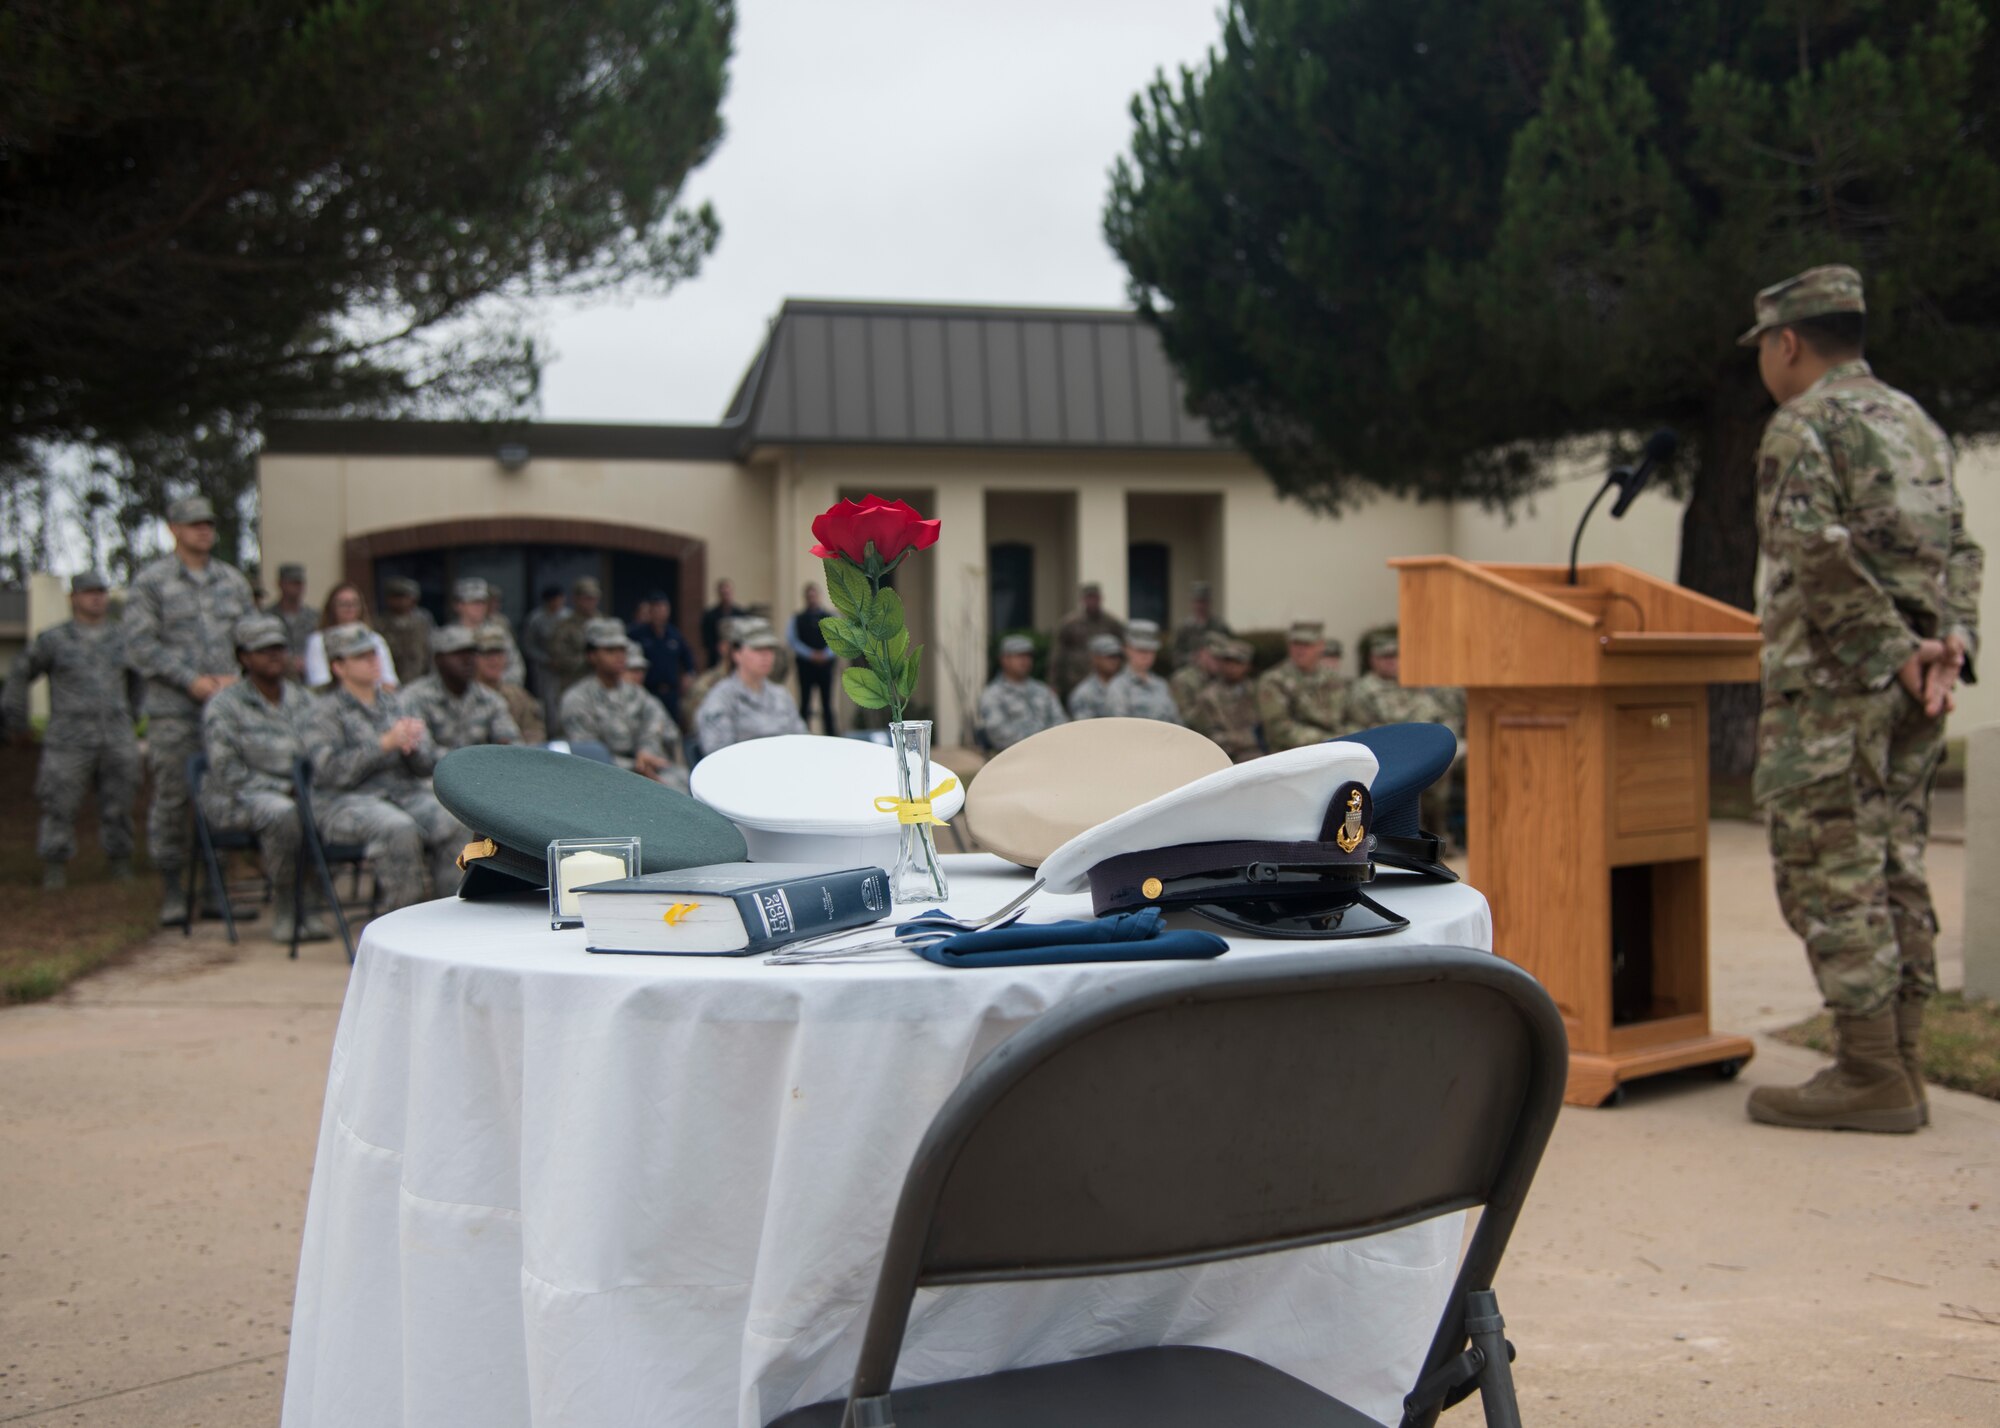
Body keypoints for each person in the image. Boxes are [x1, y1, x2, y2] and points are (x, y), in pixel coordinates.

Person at [1737, 264, 1982, 1134]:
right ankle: (1903, 1062)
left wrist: (1892, 653)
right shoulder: (1915, 422)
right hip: (1914, 688)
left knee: (1828, 867)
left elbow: (1813, 552)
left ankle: (1870, 1068)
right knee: (1893, 864)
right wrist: (1949, 647)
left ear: (1788, 342)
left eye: (1764, 345)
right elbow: (1960, 547)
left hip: (1836, 692)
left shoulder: (1804, 425)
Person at [124, 494, 257, 923]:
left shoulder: (233, 581)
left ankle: (217, 888)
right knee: (174, 798)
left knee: (219, 795)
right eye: (194, 523)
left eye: (209, 523)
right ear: (174, 529)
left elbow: (253, 636)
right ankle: (174, 890)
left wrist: (241, 673)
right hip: (174, 712)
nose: (204, 529)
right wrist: (191, 680)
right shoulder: (152, 582)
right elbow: (139, 646)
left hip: (226, 710)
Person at [306, 623, 466, 912]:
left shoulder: (396, 704)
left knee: (456, 822)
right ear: (338, 666)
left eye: (373, 654)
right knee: (398, 829)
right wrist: (383, 745)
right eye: (360, 656)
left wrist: (414, 746)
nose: (372, 661)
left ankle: (452, 912)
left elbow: (425, 766)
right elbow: (329, 772)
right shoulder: (322, 712)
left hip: (402, 795)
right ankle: (402, 920)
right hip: (345, 803)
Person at [3, 571, 142, 890]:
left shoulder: (123, 638)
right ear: (74, 598)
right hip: (69, 739)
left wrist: (132, 715)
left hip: (116, 736)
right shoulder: (54, 640)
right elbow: (20, 675)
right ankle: (55, 864)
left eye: (101, 592)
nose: (97, 598)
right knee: (58, 803)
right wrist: (18, 722)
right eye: (89, 592)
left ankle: (120, 861)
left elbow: (138, 681)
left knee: (119, 802)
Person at [199, 614, 328, 943]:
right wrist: (283, 789)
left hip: (298, 794)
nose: (274, 655)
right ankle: (286, 904)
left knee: (326, 805)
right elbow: (226, 770)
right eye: (263, 649)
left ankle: (310, 904)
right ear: (244, 657)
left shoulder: (304, 700)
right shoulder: (225, 705)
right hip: (237, 798)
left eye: (279, 648)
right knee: (283, 813)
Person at [1340, 627, 1465, 838]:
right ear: (1373, 660)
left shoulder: (1414, 685)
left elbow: (1440, 715)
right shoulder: (1363, 690)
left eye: (1395, 656)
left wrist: (1446, 741)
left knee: (1441, 777)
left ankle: (1437, 834)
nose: (1391, 662)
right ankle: (1410, 836)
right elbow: (1359, 727)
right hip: (1387, 753)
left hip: (1422, 750)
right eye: (1385, 657)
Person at [561, 619, 686, 784]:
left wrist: (646, 751)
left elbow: (657, 721)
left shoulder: (637, 693)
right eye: (610, 650)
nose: (619, 656)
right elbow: (588, 755)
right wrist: (636, 766)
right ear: (592, 656)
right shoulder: (578, 698)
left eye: (622, 649)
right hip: (603, 780)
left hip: (647, 770)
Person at [694, 620, 806, 756]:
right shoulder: (722, 699)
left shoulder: (781, 695)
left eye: (770, 649)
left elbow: (802, 741)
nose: (766, 656)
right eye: (758, 649)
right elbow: (719, 755)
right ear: (737, 654)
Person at [400, 625, 520, 752]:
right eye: (459, 655)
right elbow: (421, 756)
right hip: (434, 771)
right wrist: (472, 764)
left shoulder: (489, 699)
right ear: (438, 660)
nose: (468, 661)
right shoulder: (415, 697)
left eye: (472, 654)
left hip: (482, 769)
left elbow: (512, 746)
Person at [1257, 620, 1346, 753]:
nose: (1300, 650)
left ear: (1321, 646)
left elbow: (1353, 717)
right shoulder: (1274, 681)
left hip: (1337, 751)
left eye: (1307, 644)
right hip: (1295, 755)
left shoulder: (1332, 678)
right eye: (1296, 644)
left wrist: (1350, 736)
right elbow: (1280, 729)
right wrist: (1330, 740)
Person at [978, 633, 1069, 751]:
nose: (1025, 661)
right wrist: (1035, 744)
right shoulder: (992, 695)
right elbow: (998, 733)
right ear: (1004, 660)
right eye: (1019, 656)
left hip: (1049, 754)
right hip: (1013, 759)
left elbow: (1061, 722)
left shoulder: (1043, 690)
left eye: (1028, 656)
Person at [306, 583, 400, 690]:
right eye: (343, 603)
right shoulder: (318, 640)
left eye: (354, 603)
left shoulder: (375, 639)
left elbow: (389, 681)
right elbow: (319, 682)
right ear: (332, 607)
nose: (349, 607)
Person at [542, 576, 603, 733]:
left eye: (594, 598)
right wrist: (589, 660)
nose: (590, 602)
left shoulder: (605, 624)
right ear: (576, 599)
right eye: (586, 598)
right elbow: (558, 658)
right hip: (573, 685)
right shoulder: (565, 626)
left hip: (602, 689)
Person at [1187, 637, 1263, 762]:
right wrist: (1247, 739)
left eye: (1237, 662)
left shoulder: (1258, 693)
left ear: (1247, 666)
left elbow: (1267, 733)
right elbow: (1209, 737)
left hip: (1259, 756)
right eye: (1227, 662)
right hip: (1222, 758)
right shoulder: (1208, 697)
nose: (1231, 667)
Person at [627, 590, 694, 728]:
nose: (659, 613)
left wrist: (689, 674)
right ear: (649, 611)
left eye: (662, 608)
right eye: (655, 609)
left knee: (671, 728)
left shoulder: (674, 634)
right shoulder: (638, 634)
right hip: (648, 690)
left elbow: (687, 657)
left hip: (670, 692)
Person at [1050, 582, 1127, 696]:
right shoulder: (1070, 624)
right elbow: (1057, 655)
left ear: (1101, 599)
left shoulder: (1112, 624)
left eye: (1094, 597)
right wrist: (1054, 684)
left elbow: (1124, 651)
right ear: (1082, 600)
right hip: (1075, 682)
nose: (1092, 601)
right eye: (1088, 597)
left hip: (1107, 684)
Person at [475, 627, 545, 743]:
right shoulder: (465, 696)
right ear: (474, 658)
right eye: (487, 654)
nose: (494, 660)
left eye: (499, 654)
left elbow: (535, 734)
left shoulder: (519, 697)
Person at [450, 577, 525, 686]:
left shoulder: (498, 633)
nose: (479, 607)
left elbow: (516, 667)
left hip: (496, 693)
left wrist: (497, 685)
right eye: (474, 602)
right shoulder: (448, 636)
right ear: (459, 605)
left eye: (482, 602)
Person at [1105, 620, 1182, 724]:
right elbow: (1120, 728)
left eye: (1151, 651)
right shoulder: (1119, 687)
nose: (1146, 656)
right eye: (1141, 650)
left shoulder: (1161, 685)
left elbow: (1176, 722)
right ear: (1127, 649)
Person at [789, 583, 839, 735]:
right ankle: (803, 735)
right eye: (809, 596)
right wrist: (810, 654)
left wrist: (826, 654)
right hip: (805, 666)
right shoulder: (797, 618)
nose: (812, 598)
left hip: (826, 666)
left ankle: (832, 736)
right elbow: (792, 640)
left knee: (827, 704)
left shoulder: (831, 617)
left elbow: (838, 638)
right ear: (805, 598)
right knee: (804, 703)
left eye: (814, 595)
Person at [371, 577, 434, 686]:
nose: (400, 601)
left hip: (420, 681)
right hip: (393, 683)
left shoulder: (423, 621)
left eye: (404, 597)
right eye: (395, 597)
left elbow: (431, 652)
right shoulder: (379, 624)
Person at [269, 562, 318, 681]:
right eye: (293, 583)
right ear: (281, 584)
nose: (298, 587)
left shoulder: (315, 617)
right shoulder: (267, 617)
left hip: (308, 680)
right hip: (277, 680)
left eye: (301, 583)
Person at [521, 583, 566, 708]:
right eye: (555, 600)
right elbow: (528, 645)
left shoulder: (568, 617)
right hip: (544, 668)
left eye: (560, 599)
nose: (558, 602)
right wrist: (546, 660)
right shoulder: (536, 619)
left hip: (567, 667)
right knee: (547, 701)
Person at [1171, 581, 1232, 668]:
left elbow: (1230, 652)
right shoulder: (1184, 628)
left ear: (1209, 603)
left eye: (1203, 602)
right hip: (1190, 673)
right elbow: (1175, 658)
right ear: (1192, 603)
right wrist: (1194, 658)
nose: (1200, 606)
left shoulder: (1220, 626)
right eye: (1197, 602)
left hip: (1216, 673)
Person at [1067, 633, 1126, 719]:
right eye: (1109, 656)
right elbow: (1084, 727)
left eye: (1117, 656)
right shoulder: (1084, 694)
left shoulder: (1128, 686)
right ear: (1095, 658)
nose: (1114, 661)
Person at [1171, 632, 1221, 718]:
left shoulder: (1221, 679)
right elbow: (1181, 717)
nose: (1218, 662)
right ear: (1202, 653)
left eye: (1221, 658)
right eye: (1214, 657)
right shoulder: (1183, 679)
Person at [700, 577, 746, 670]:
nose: (726, 596)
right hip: (716, 657)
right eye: (723, 593)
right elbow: (706, 639)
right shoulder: (710, 615)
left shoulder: (740, 614)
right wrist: (718, 647)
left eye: (728, 593)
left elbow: (744, 636)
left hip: (737, 657)